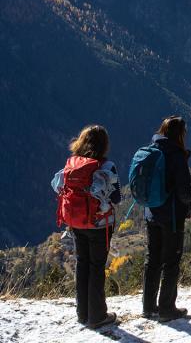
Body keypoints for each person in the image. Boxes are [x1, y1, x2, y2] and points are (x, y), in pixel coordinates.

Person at [52, 125, 122, 329]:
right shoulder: (107, 166)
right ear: (104, 145)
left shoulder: (72, 164)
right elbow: (116, 198)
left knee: (82, 264)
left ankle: (82, 313)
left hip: (76, 222)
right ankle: (98, 316)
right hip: (100, 224)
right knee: (96, 267)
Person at [142, 116, 191, 322]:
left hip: (150, 212)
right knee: (171, 261)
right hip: (171, 216)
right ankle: (166, 309)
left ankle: (148, 307)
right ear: (180, 134)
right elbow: (184, 192)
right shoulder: (177, 155)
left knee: (152, 259)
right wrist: (187, 203)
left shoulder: (151, 150)